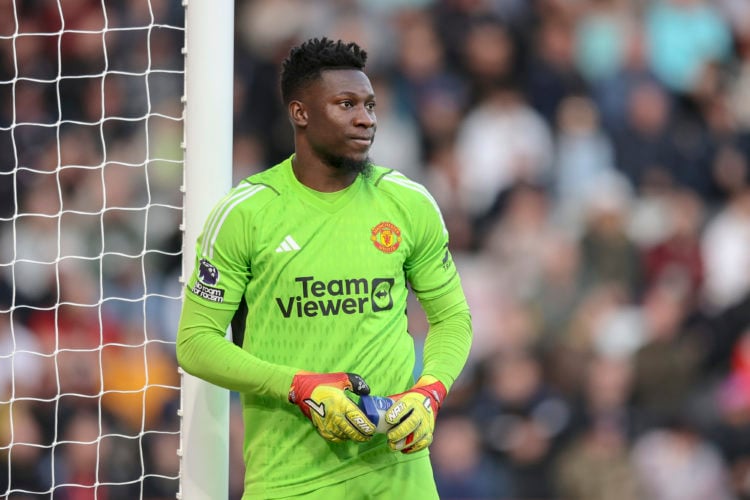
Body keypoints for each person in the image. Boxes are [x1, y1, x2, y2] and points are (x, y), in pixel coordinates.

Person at [176, 37, 473, 499]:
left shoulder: (408, 202)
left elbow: (452, 317)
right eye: (346, 104)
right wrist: (299, 386)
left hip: (398, 470)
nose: (366, 118)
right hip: (290, 476)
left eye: (371, 105)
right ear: (301, 113)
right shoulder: (247, 213)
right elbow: (195, 344)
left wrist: (429, 391)